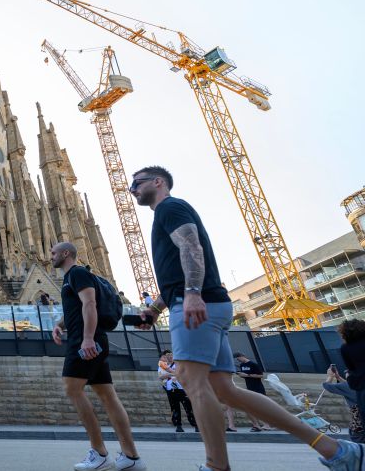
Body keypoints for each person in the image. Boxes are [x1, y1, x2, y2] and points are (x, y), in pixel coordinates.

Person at [131, 165, 361, 471]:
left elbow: (190, 246)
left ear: (158, 182)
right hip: (206, 303)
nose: (132, 189)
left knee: (190, 380)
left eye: (137, 183)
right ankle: (336, 450)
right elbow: (177, 269)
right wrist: (155, 309)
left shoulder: (169, 207)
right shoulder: (167, 213)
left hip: (198, 303)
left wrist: (193, 293)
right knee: (225, 390)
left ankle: (216, 466)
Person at [51, 241, 144, 470]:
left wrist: (87, 338)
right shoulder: (72, 278)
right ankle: (132, 457)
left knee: (72, 389)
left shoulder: (77, 273)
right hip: (92, 338)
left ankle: (100, 452)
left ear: (65, 253)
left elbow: (90, 303)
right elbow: (78, 307)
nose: (50, 256)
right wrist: (60, 324)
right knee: (108, 396)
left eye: (53, 252)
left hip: (85, 340)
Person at [323, 364, 365, 443]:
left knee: (359, 446)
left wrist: (330, 376)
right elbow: (350, 387)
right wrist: (338, 377)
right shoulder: (359, 385)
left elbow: (327, 386)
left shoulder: (348, 386)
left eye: (347, 373)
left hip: (359, 428)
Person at [158, 350, 197, 433]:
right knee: (175, 408)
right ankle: (178, 426)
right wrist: (172, 374)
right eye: (167, 355)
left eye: (171, 355)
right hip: (171, 390)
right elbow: (161, 376)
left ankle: (195, 425)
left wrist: (172, 374)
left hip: (182, 389)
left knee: (188, 407)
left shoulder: (178, 364)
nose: (170, 357)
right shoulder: (162, 365)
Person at [233, 352, 272, 431]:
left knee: (261, 407)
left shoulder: (253, 364)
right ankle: (258, 425)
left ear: (242, 356)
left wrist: (247, 375)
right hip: (249, 388)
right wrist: (241, 375)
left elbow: (261, 375)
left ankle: (267, 424)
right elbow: (246, 376)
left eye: (238, 359)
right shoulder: (242, 365)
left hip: (258, 388)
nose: (238, 361)